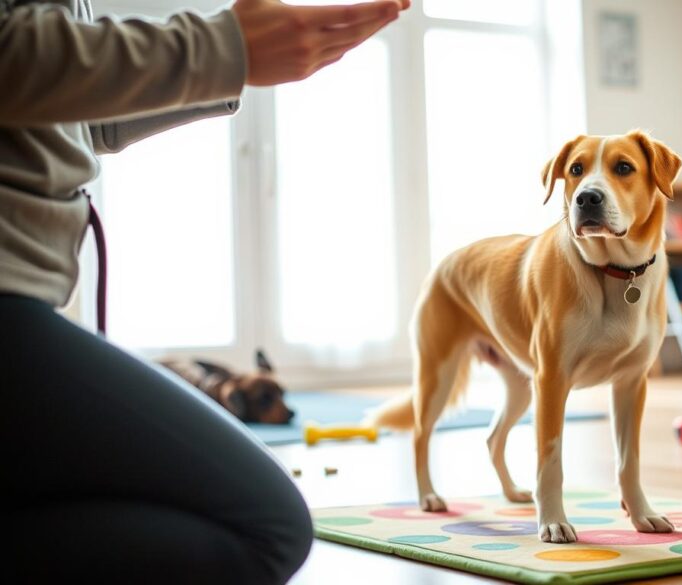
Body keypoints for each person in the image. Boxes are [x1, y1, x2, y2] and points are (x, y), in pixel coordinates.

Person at [0, 0, 409, 582]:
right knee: (269, 528)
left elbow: (79, 125)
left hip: (25, 296)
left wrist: (238, 65)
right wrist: (223, 47)